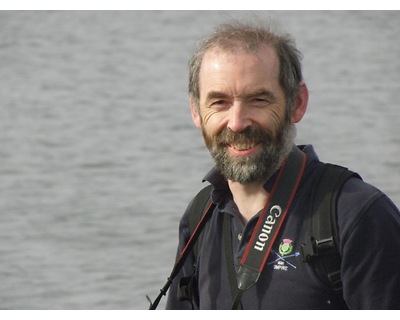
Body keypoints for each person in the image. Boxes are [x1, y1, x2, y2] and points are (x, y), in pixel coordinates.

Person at [164, 20, 400, 309]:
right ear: (196, 111)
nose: (237, 122)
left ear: (297, 103)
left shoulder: (357, 215)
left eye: (259, 99)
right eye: (219, 102)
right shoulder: (200, 216)